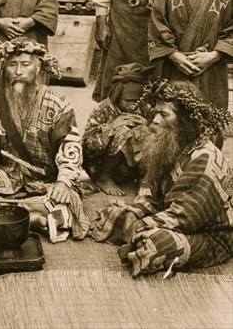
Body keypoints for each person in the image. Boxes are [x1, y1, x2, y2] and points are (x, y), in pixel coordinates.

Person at [0, 37, 89, 243]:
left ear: (39, 67)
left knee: (68, 199)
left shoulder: (58, 105)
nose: (18, 71)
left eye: (26, 64)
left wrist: (62, 183)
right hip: (6, 180)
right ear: (3, 69)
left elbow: (70, 148)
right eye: (12, 65)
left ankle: (2, 216)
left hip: (46, 183)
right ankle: (34, 219)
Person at [92, 80, 233, 277]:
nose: (155, 120)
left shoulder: (204, 158)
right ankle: (135, 239)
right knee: (116, 214)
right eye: (155, 113)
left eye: (164, 114)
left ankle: (138, 242)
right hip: (169, 216)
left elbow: (185, 216)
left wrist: (143, 224)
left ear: (184, 120)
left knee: (157, 242)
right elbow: (149, 193)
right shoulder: (168, 147)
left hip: (210, 235)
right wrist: (135, 212)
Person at [82, 63, 153, 196]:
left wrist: (146, 124)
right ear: (117, 95)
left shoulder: (144, 108)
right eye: (127, 101)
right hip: (99, 166)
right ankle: (105, 179)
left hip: (127, 169)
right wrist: (112, 128)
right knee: (124, 130)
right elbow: (87, 148)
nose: (132, 106)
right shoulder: (103, 108)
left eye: (136, 101)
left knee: (145, 129)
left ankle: (144, 178)